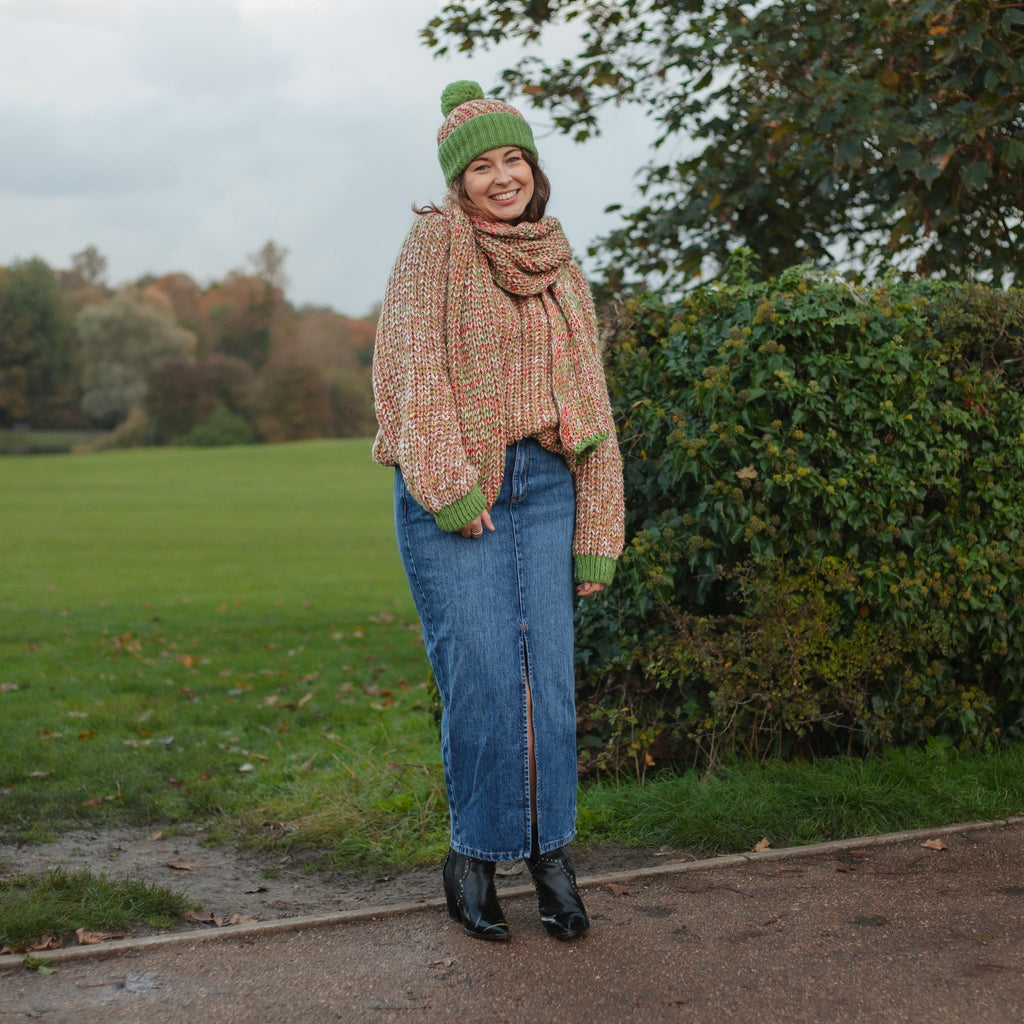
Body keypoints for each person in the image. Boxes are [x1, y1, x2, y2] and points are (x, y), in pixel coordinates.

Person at [371, 80, 625, 942]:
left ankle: (551, 856)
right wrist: (450, 486)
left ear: (533, 167)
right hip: (460, 496)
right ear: (458, 182)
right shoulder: (434, 248)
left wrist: (598, 533)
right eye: (482, 165)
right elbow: (410, 371)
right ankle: (474, 858)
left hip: (548, 490)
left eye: (514, 157)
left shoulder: (561, 265)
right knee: (482, 684)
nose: (502, 175)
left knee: (547, 688)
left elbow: (591, 404)